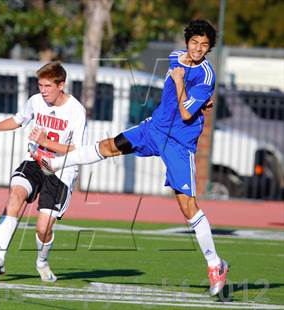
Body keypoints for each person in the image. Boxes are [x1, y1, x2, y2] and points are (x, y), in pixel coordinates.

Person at [29, 19, 229, 295]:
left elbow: (185, 113)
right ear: (187, 42)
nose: (198, 49)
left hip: (179, 143)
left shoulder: (207, 76)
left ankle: (215, 264)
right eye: (194, 43)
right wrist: (197, 96)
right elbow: (181, 93)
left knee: (187, 207)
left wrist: (184, 84)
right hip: (154, 128)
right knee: (110, 146)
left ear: (209, 49)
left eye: (204, 45)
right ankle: (55, 162)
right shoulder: (174, 56)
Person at [0, 61, 87, 282]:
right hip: (34, 162)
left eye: (47, 86)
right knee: (15, 195)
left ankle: (42, 262)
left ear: (61, 85)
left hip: (60, 170)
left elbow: (76, 150)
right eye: (40, 85)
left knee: (43, 228)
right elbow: (19, 120)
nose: (42, 91)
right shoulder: (35, 101)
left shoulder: (76, 111)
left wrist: (46, 140)